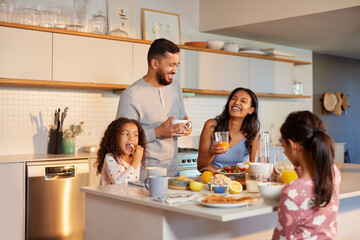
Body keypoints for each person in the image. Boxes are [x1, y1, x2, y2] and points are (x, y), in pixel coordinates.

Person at [117, 38, 192, 178]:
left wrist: (186, 126)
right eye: (171, 65)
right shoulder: (131, 95)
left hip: (174, 173)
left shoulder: (175, 87)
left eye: (177, 65)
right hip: (145, 177)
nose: (175, 70)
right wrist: (158, 132)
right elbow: (121, 139)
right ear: (154, 63)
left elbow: (182, 117)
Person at [272, 111, 341, 239]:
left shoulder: (291, 193)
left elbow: (281, 237)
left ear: (292, 145)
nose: (284, 150)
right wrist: (300, 167)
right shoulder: (333, 172)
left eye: (284, 144)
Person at [197, 87, 259, 172]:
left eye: (243, 101)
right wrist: (212, 153)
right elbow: (200, 166)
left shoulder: (251, 131)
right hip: (211, 180)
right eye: (234, 98)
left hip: (236, 182)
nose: (237, 102)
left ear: (251, 110)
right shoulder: (211, 125)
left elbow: (254, 166)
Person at [95, 117, 146, 185]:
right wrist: (135, 162)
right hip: (109, 196)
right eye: (126, 134)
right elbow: (119, 184)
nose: (131, 138)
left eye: (135, 135)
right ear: (115, 137)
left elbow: (133, 183)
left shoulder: (134, 159)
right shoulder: (110, 158)